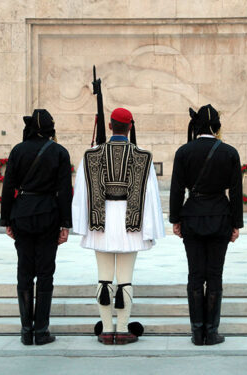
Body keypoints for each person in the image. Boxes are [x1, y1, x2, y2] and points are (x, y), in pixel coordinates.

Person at [72, 107, 165, 345]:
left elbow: (82, 193)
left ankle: (105, 329)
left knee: (103, 279)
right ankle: (122, 329)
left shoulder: (91, 154)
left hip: (100, 222)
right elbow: (150, 195)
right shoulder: (143, 156)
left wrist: (82, 224)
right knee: (125, 279)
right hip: (130, 225)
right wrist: (151, 228)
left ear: (110, 126)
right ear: (130, 127)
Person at [169, 104, 243, 346]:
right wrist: (236, 224)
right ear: (216, 127)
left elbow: (177, 189)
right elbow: (236, 191)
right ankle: (211, 332)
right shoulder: (229, 152)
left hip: (192, 217)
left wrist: (175, 219)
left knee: (194, 275)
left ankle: (196, 331)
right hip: (220, 217)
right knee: (214, 276)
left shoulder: (184, 152)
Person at [0, 109, 73, 346]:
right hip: (48, 215)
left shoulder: (18, 150)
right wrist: (65, 224)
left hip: (22, 213)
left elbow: (8, 185)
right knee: (45, 273)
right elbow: (64, 191)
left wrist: (6, 220)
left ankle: (25, 331)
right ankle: (41, 331)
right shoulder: (59, 152)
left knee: (24, 270)